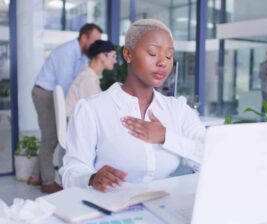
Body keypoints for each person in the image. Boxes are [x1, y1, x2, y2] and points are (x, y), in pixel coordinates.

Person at [59, 19, 206, 192]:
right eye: (153, 53)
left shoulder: (177, 110)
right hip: (109, 207)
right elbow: (71, 171)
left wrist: (166, 137)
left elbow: (211, 158)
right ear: (128, 54)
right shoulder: (92, 109)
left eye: (169, 56)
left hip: (163, 206)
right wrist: (91, 178)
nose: (163, 62)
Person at [30, 23, 103, 193]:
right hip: (45, 93)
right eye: (94, 41)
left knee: (49, 136)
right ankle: (47, 182)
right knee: (51, 137)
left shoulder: (83, 54)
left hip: (53, 93)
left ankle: (34, 176)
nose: (95, 46)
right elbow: (66, 86)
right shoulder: (67, 52)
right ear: (83, 37)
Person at [65, 40, 116, 117]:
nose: (115, 61)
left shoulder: (89, 76)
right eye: (113, 56)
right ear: (102, 56)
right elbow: (94, 111)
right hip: (76, 124)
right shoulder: (88, 79)